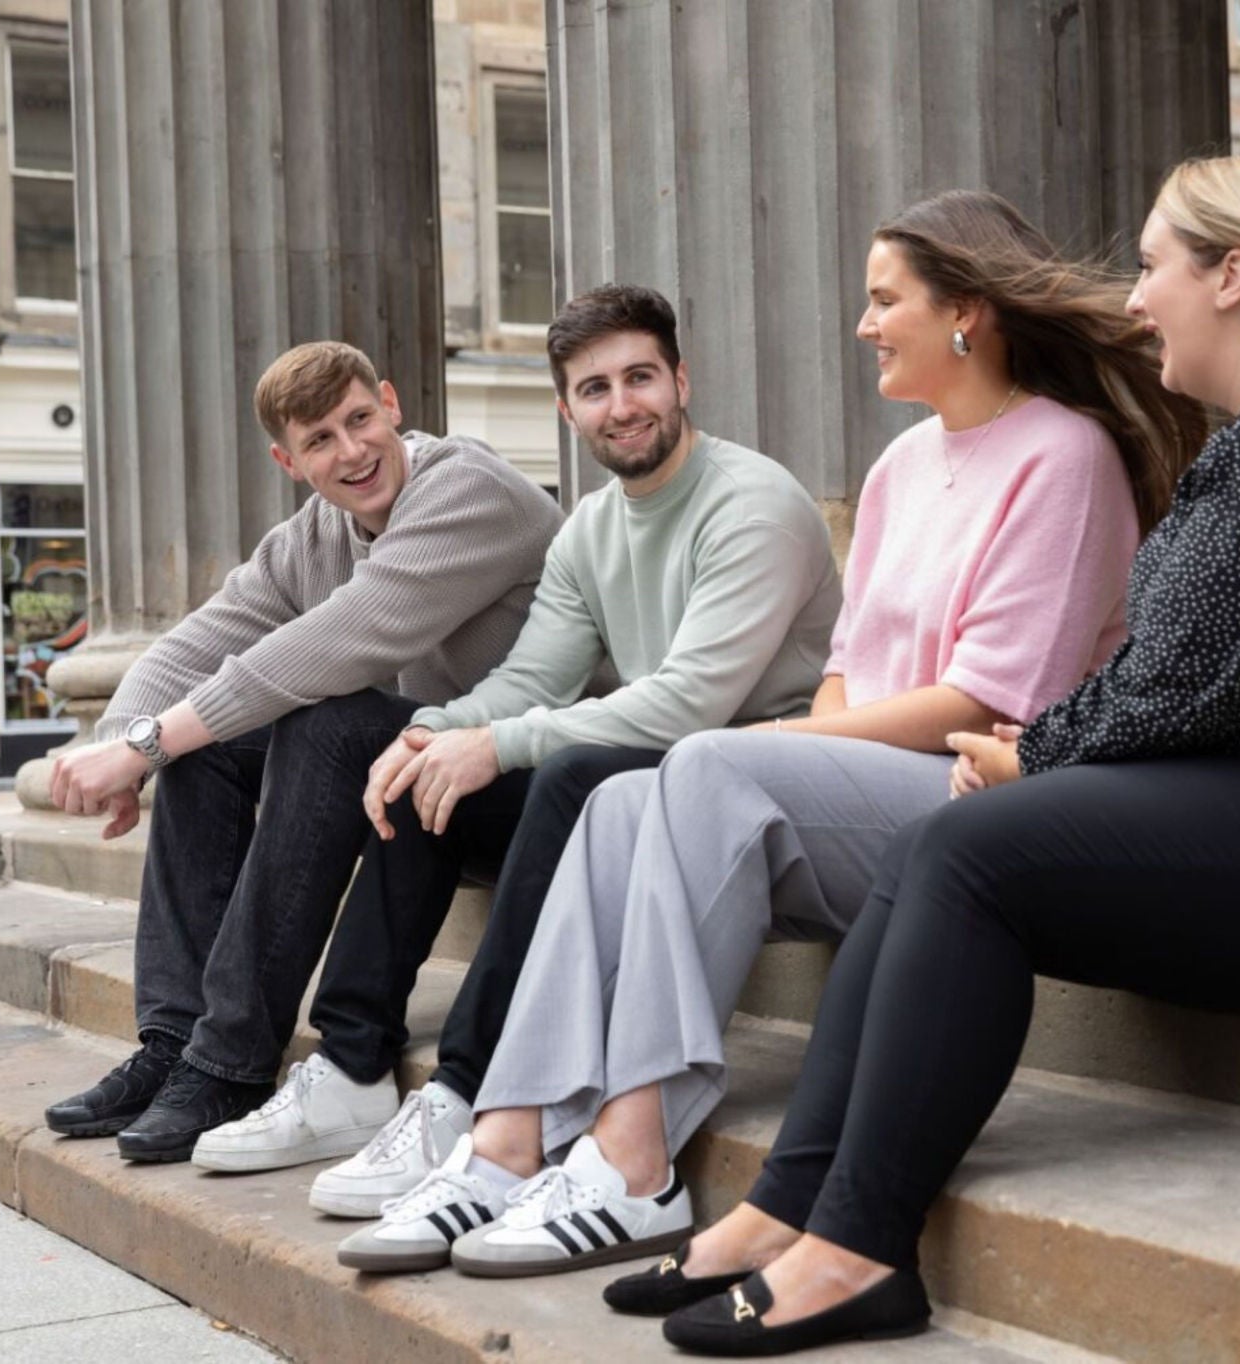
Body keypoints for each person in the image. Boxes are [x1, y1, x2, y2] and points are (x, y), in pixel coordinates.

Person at [648, 149, 1240, 1357]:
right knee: (936, 843)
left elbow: (1192, 679)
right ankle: (785, 1209)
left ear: (1232, 274)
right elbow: (1193, 670)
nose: (1130, 296)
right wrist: (1045, 748)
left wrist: (1035, 754)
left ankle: (857, 1249)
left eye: (1150, 263)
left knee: (967, 850)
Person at [335, 190, 1207, 1277]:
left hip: (979, 799)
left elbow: (984, 700)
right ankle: (507, 1136)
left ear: (965, 313)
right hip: (863, 789)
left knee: (706, 761)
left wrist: (789, 747)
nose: (863, 323)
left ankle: (634, 1151)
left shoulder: (1061, 456)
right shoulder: (898, 466)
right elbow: (848, 664)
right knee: (610, 798)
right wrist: (805, 743)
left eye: (884, 299)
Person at [197, 285, 842, 1185]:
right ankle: (350, 1065)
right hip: (648, 776)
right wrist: (431, 732)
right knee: (434, 773)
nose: (622, 406)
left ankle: (466, 1090)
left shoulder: (751, 504)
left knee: (561, 773)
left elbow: (691, 701)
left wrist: (494, 745)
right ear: (566, 408)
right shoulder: (592, 528)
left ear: (682, 381)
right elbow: (532, 677)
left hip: (752, 784)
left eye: (640, 378)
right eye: (595, 388)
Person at [40, 341, 564, 1163]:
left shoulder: (468, 488)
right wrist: (129, 746)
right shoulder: (313, 537)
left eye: (360, 420)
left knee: (324, 719)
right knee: (207, 748)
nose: (351, 451)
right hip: (429, 775)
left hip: (539, 783)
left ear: (390, 403)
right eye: (321, 439)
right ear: (291, 460)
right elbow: (190, 649)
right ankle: (177, 1044)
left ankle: (231, 1061)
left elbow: (338, 642)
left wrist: (148, 741)